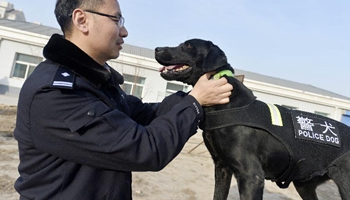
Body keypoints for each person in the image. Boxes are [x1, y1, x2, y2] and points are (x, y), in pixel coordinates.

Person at [14, 0, 233, 199]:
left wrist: (197, 97)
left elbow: (144, 115)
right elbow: (145, 149)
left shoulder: (94, 81)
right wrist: (194, 103)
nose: (125, 31)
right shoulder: (56, 93)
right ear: (82, 20)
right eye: (116, 19)